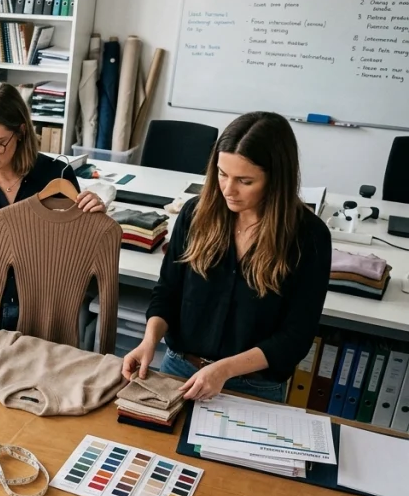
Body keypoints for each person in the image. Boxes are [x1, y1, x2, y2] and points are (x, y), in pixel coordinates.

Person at [122, 111, 331, 403]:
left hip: (253, 387)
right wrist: (149, 340)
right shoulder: (195, 214)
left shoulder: (308, 237)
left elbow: (295, 337)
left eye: (245, 181)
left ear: (276, 179)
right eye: (222, 174)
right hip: (178, 370)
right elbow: (167, 292)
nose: (228, 190)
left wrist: (224, 370)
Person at [0, 82, 112, 342]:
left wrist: (92, 219)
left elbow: (74, 256)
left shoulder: (56, 177)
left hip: (39, 317)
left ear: (22, 131)